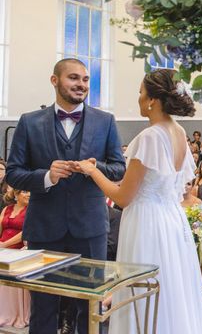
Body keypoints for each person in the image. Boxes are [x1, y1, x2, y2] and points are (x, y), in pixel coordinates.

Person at [75, 69, 202, 334]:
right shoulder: (179, 132)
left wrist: (93, 172)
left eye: (140, 93)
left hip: (146, 223)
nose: (138, 98)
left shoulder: (149, 137)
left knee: (143, 292)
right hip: (172, 220)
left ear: (152, 100)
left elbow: (123, 197)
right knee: (171, 290)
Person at [6, 58, 126, 334]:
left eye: (85, 80)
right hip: (44, 228)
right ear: (55, 81)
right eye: (73, 78)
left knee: (90, 306)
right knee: (44, 306)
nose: (81, 85)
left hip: (90, 227)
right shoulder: (29, 122)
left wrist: (93, 168)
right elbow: (13, 172)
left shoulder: (105, 121)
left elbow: (119, 167)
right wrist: (46, 176)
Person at [0, 189, 30, 328]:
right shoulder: (7, 208)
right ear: (16, 194)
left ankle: (12, 313)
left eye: (30, 192)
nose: (28, 194)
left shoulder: (31, 210)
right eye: (24, 191)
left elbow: (25, 232)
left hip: (18, 250)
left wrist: (5, 244)